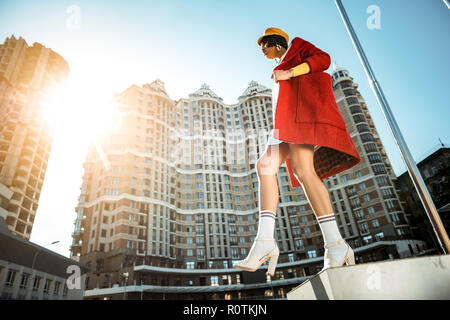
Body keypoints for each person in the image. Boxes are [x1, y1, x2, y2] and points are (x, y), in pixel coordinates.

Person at [234, 27, 361, 277]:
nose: (262, 50)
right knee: (265, 166)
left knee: (304, 171)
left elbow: (324, 60)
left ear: (277, 42)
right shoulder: (277, 67)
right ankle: (265, 241)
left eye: (264, 45)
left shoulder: (298, 46)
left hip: (301, 120)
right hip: (285, 124)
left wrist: (290, 72)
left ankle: (335, 244)